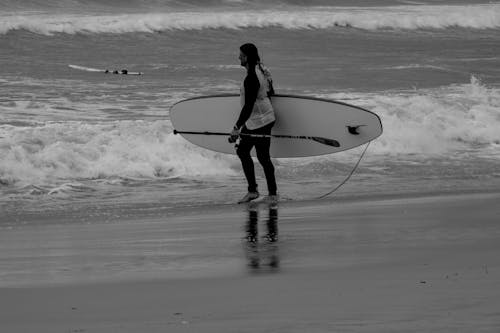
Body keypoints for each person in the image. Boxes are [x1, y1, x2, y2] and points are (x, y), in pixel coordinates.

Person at [230, 43, 278, 204]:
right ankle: (264, 193)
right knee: (252, 153)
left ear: (247, 57)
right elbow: (271, 92)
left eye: (241, 55)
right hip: (263, 117)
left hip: (260, 120)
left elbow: (249, 106)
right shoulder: (262, 69)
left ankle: (261, 193)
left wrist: (236, 127)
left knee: (254, 154)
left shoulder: (252, 77)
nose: (239, 57)